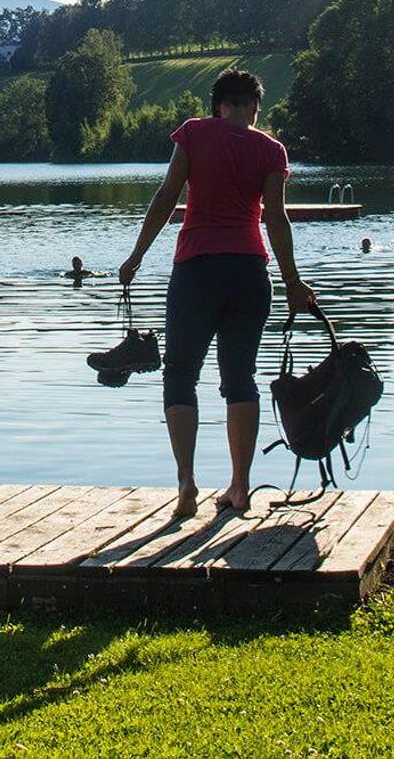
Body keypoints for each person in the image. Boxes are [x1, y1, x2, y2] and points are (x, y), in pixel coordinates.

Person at [120, 70, 315, 517]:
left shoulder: (194, 133)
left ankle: (187, 483)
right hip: (249, 274)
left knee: (180, 374)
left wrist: (137, 255)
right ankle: (240, 487)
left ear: (217, 105)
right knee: (240, 378)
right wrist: (292, 281)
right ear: (255, 107)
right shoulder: (271, 150)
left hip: (196, 271)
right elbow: (276, 219)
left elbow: (167, 196)